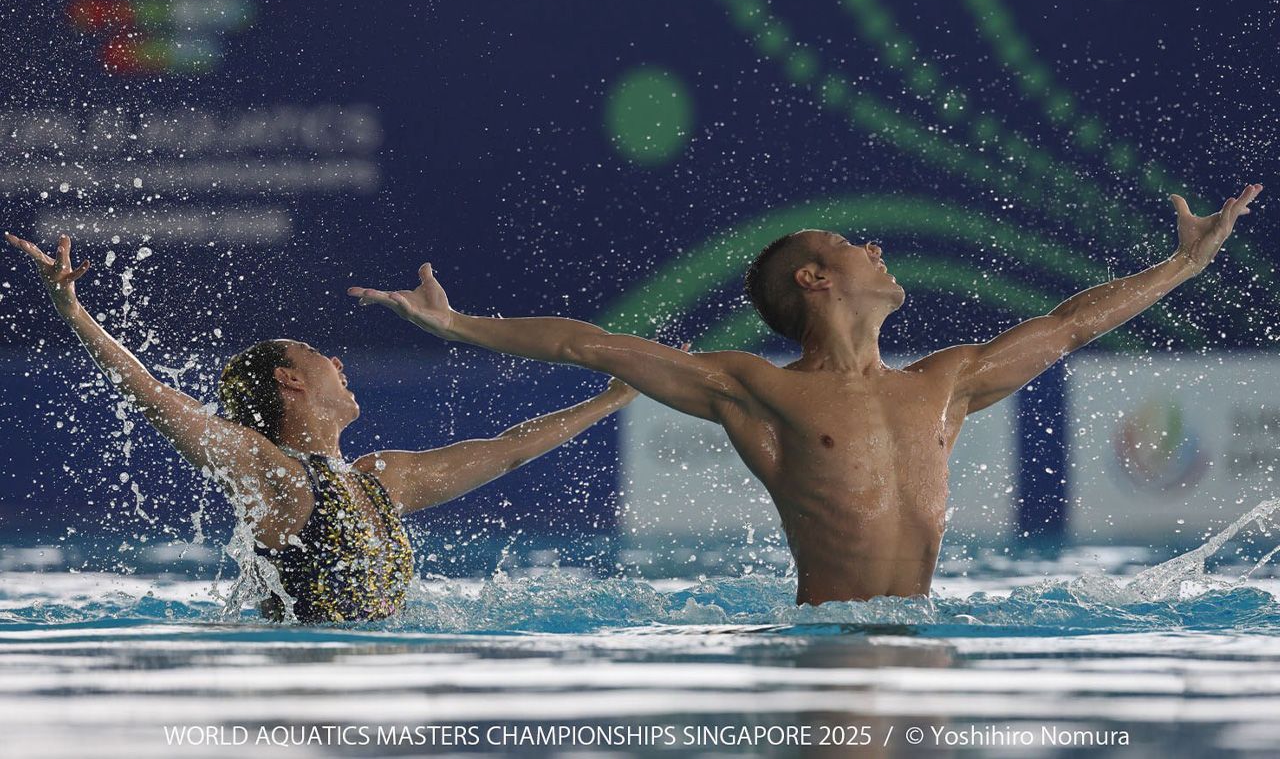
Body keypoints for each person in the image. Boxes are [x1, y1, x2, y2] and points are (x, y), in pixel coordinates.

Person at [348, 184, 1263, 606]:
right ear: (816, 279)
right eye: (857, 245)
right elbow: (590, 344)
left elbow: (1066, 328)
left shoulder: (944, 383)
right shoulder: (756, 391)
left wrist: (1181, 266)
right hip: (827, 648)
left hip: (924, 637)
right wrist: (459, 326)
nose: (878, 248)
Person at [5, 232, 638, 622]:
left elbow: (506, 451)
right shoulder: (274, 473)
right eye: (317, 354)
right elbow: (157, 398)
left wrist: (613, 398)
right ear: (291, 380)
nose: (337, 361)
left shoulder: (382, 479)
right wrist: (73, 311)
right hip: (302, 677)